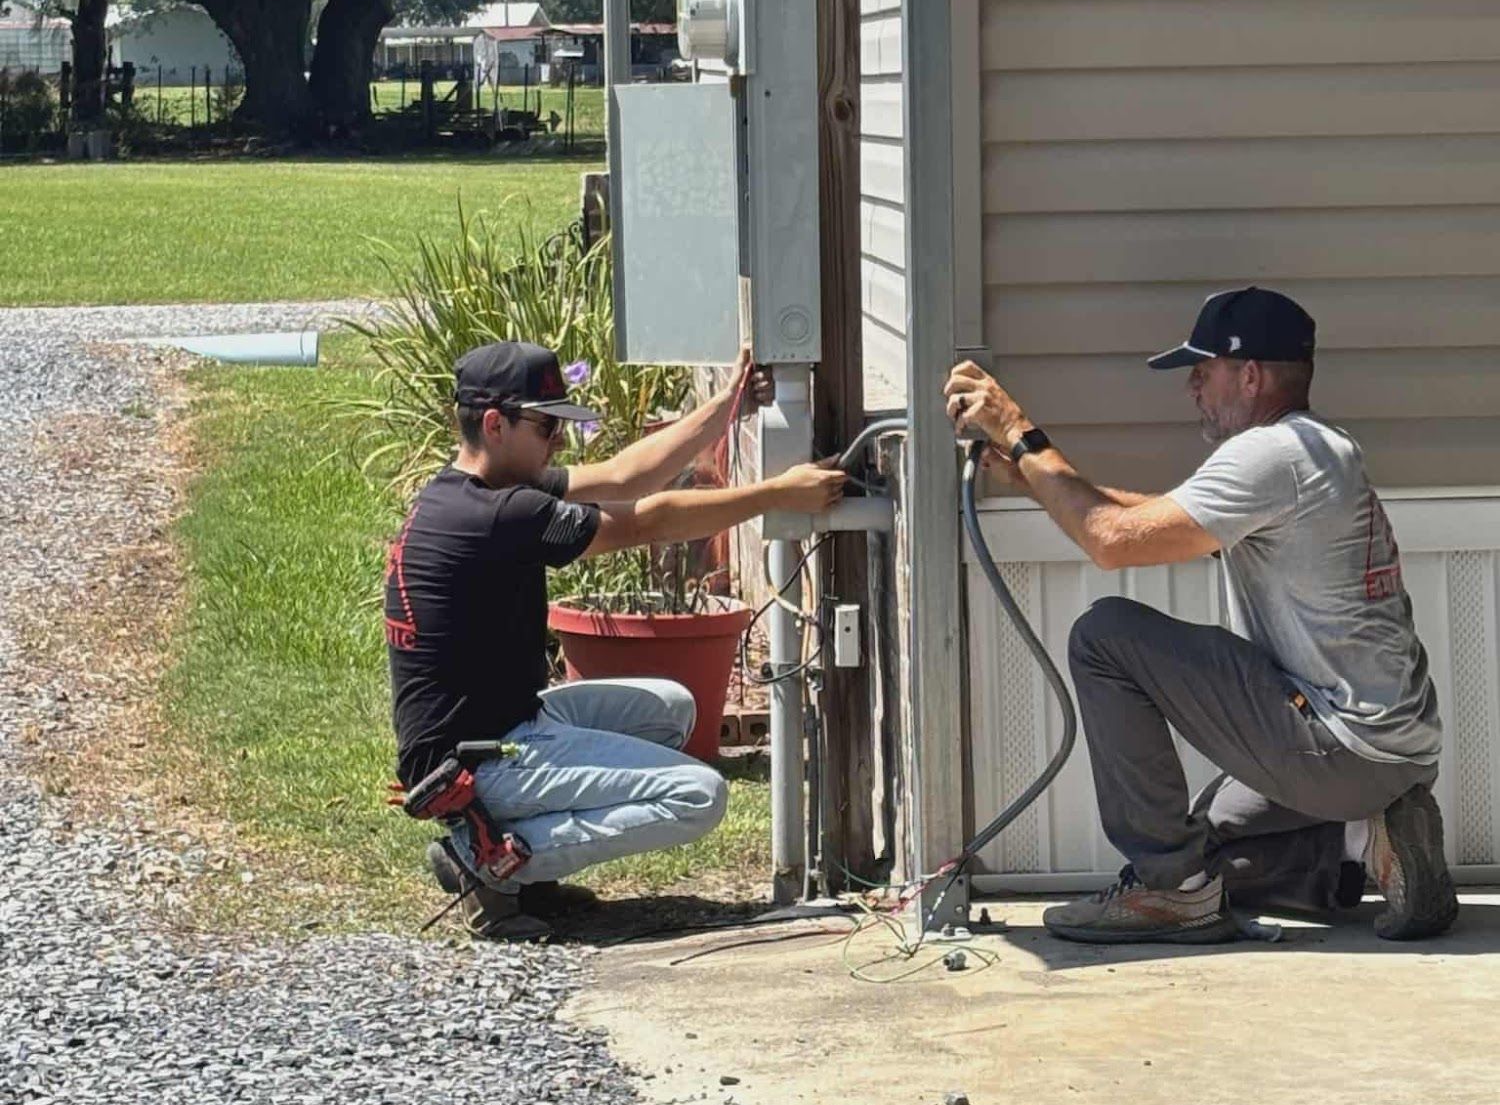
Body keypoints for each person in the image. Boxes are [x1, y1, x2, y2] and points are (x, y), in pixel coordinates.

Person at [945, 286, 1457, 946]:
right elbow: (1155, 520)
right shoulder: (1318, 445)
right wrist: (1037, 481)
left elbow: (1111, 540)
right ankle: (1362, 847)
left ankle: (1171, 896)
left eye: (1203, 370)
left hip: (1343, 746)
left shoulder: (1268, 455)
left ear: (1249, 375)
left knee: (1105, 636)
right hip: (1393, 750)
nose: (1192, 388)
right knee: (1199, 849)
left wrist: (1018, 432)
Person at [386, 338, 843, 937]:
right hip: (475, 763)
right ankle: (487, 858)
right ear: (495, 424)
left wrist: (727, 406)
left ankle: (529, 870)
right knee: (698, 795)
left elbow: (625, 475)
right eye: (547, 426)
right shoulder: (498, 515)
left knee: (672, 710)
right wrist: (778, 495)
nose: (559, 441)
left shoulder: (475, 489)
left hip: (500, 725)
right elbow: (647, 518)